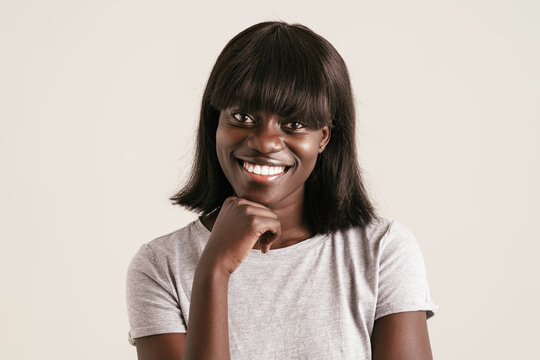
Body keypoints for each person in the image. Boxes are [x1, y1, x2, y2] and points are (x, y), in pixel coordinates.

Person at [126, 21, 437, 359]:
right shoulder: (160, 266)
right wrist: (214, 269)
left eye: (294, 124)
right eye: (243, 117)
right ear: (214, 122)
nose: (264, 142)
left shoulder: (382, 251)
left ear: (324, 137)